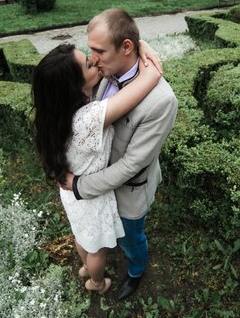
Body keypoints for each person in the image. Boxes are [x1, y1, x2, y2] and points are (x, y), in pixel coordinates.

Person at [62, 8, 178, 300]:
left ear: (126, 47)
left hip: (127, 190)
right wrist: (142, 44)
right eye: (90, 50)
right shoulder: (104, 69)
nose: (92, 59)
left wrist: (79, 186)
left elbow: (133, 165)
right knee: (108, 234)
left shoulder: (162, 101)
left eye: (98, 50)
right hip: (98, 184)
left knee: (130, 238)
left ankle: (136, 271)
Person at [32, 42, 162, 296]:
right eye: (89, 64)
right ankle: (97, 282)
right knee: (97, 249)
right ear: (77, 87)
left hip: (71, 195)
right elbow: (150, 78)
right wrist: (143, 49)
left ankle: (84, 267)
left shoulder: (52, 116)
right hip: (91, 197)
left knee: (82, 236)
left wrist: (136, 42)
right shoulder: (88, 119)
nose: (95, 60)